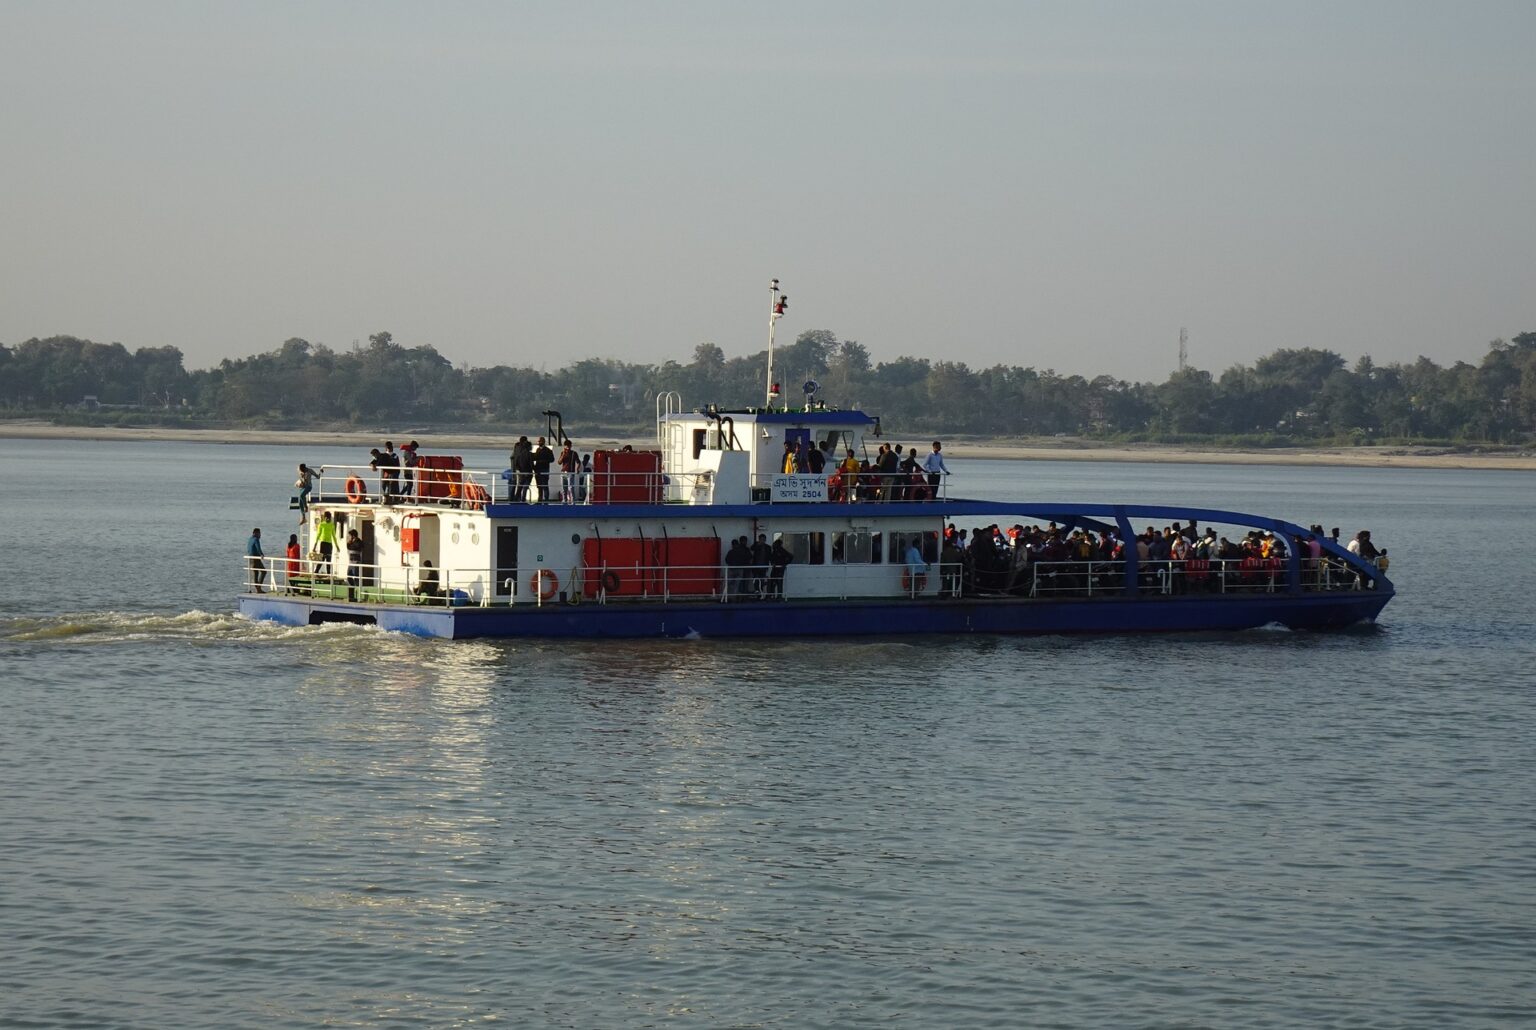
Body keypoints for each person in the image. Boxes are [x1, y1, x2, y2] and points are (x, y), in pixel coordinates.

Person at [725, 536, 751, 601]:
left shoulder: (731, 551)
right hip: (741, 569)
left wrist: (731, 565)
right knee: (739, 584)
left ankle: (733, 597)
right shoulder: (743, 550)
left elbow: (727, 560)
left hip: (733, 569)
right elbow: (748, 557)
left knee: (733, 584)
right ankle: (741, 597)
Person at [313, 511, 339, 575]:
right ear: (324, 518)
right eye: (326, 518)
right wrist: (315, 546)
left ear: (330, 518)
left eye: (328, 518)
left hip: (329, 544)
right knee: (322, 559)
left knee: (328, 560)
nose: (327, 519)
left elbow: (334, 536)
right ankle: (315, 572)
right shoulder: (322, 524)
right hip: (323, 543)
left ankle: (329, 574)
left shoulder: (332, 525)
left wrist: (337, 546)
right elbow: (318, 535)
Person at [510, 436, 533, 502]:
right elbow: (530, 463)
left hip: (517, 470)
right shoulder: (527, 452)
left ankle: (515, 499)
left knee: (518, 486)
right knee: (524, 487)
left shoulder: (517, 448)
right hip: (525, 472)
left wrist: (517, 469)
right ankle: (522, 499)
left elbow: (514, 459)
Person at [532, 436, 554, 502]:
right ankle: (540, 500)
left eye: (539, 441)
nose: (538, 442)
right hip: (538, 470)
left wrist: (544, 461)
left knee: (545, 486)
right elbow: (535, 457)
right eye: (538, 441)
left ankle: (546, 500)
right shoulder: (538, 449)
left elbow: (552, 459)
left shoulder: (548, 450)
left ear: (543, 441)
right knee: (539, 486)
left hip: (544, 469)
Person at [750, 533, 772, 600]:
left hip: (764, 567)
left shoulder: (768, 547)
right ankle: (757, 594)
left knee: (762, 581)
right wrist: (758, 544)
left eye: (763, 539)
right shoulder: (756, 545)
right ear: (759, 539)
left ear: (765, 540)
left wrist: (772, 562)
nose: (762, 541)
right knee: (756, 581)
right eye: (761, 539)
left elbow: (769, 556)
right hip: (756, 567)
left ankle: (762, 594)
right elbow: (752, 548)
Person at [344, 529, 364, 601]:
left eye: (350, 535)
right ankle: (352, 588)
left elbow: (357, 547)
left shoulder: (359, 541)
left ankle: (358, 593)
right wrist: (349, 543)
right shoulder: (351, 542)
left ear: (353, 536)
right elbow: (348, 547)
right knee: (349, 576)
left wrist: (351, 543)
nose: (349, 537)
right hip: (351, 562)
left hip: (356, 562)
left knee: (356, 577)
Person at [246, 528, 266, 593]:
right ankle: (258, 587)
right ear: (256, 533)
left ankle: (258, 589)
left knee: (256, 573)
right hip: (255, 558)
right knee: (264, 571)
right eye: (259, 533)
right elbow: (258, 548)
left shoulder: (250, 539)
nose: (260, 535)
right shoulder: (256, 539)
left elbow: (249, 549)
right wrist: (262, 554)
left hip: (250, 559)